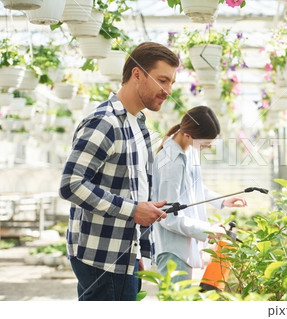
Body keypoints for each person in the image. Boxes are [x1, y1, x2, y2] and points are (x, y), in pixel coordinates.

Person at [59, 42, 179, 301]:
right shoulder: (106, 121)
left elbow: (131, 189)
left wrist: (136, 251)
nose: (168, 91)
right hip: (102, 258)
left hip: (123, 255)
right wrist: (134, 210)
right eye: (162, 80)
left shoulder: (138, 124)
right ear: (137, 74)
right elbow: (71, 184)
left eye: (172, 83)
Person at [151, 106, 247, 283]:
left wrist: (223, 200)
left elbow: (194, 188)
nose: (208, 146)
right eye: (205, 143)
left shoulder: (189, 150)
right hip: (174, 252)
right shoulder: (171, 163)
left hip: (184, 249)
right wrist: (209, 230)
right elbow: (168, 216)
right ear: (188, 135)